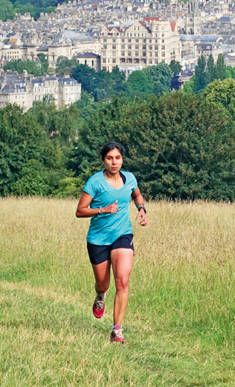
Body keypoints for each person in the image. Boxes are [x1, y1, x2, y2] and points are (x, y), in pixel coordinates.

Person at [76, 141, 147, 343]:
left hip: (122, 235)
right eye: (109, 158)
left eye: (117, 158)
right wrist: (103, 210)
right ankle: (100, 297)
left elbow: (137, 194)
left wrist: (141, 208)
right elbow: (80, 211)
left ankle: (116, 330)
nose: (114, 162)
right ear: (103, 160)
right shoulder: (95, 182)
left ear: (122, 159)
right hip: (98, 239)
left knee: (122, 280)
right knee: (103, 284)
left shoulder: (130, 179)